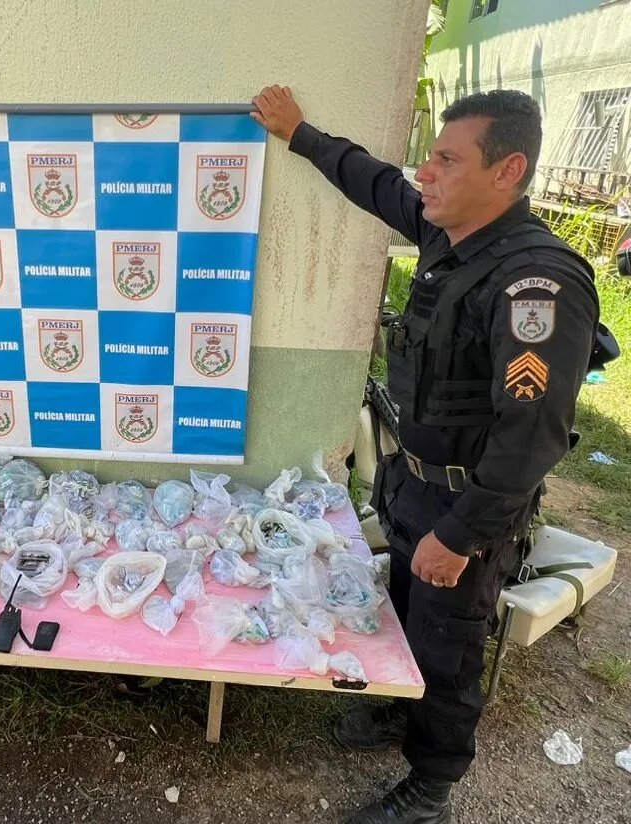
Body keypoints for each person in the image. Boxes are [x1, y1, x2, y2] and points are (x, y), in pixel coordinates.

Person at [251, 86, 604, 823]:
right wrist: (300, 133)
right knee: (409, 613)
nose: (426, 172)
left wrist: (461, 535)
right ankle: (399, 709)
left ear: (508, 171)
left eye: (447, 159)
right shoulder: (454, 234)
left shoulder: (536, 284)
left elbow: (532, 436)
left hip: (469, 507)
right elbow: (378, 182)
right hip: (414, 486)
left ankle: (431, 786)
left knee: (449, 645)